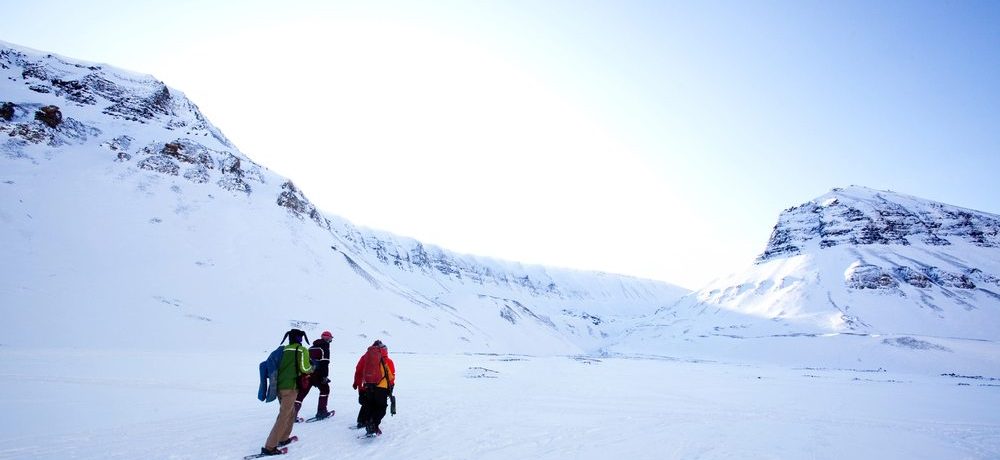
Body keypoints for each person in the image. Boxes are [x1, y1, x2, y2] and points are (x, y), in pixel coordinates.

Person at [261, 329, 313, 456]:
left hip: (279, 387)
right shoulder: (302, 350)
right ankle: (270, 447)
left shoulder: (283, 350)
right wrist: (313, 367)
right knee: (284, 415)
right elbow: (305, 368)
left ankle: (283, 438)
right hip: (291, 387)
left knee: (290, 412)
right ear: (300, 339)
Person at [352, 340, 396, 436]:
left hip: (368, 386)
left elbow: (358, 371)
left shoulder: (365, 358)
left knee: (368, 405)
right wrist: (391, 387)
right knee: (381, 407)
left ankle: (363, 421)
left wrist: (357, 384)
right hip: (382, 387)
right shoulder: (387, 360)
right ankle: (373, 425)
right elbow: (391, 375)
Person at [294, 330, 334, 421]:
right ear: (327, 338)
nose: (331, 340)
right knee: (325, 389)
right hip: (318, 374)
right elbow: (325, 363)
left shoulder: (311, 348)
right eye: (330, 338)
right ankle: (322, 411)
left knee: (302, 393)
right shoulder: (324, 348)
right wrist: (325, 377)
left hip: (307, 374)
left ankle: (292, 415)